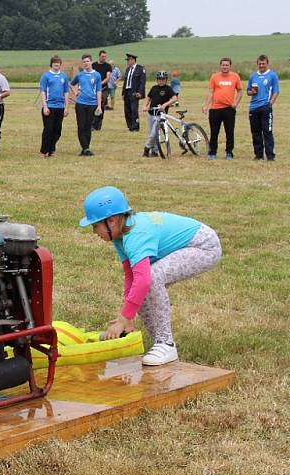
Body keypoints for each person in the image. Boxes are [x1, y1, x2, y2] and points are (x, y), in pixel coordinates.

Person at [79, 186, 221, 366]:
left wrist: (124, 318)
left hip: (205, 246)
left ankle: (166, 344)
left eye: (95, 225)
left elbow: (144, 280)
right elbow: (131, 277)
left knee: (152, 278)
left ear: (112, 221)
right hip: (195, 245)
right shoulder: (120, 236)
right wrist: (128, 317)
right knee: (143, 283)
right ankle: (158, 343)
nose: (94, 231)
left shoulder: (136, 234)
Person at [202, 58, 242, 161]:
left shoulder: (235, 76)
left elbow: (240, 92)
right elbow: (210, 92)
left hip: (229, 109)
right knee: (214, 132)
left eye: (227, 65)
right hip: (215, 109)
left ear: (230, 66)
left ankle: (229, 152)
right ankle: (212, 152)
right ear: (220, 66)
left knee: (229, 132)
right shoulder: (214, 77)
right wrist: (206, 105)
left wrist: (235, 103)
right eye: (223, 65)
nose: (225, 67)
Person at [247, 54, 279, 162]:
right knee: (255, 132)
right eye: (259, 64)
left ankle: (270, 156)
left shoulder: (272, 75)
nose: (261, 65)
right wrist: (252, 92)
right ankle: (258, 155)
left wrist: (270, 103)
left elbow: (276, 91)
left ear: (267, 63)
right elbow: (248, 91)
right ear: (257, 64)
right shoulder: (253, 76)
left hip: (265, 107)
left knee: (267, 132)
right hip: (253, 108)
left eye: (263, 63)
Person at [70, 54, 103, 156]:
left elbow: (98, 90)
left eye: (87, 61)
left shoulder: (97, 75)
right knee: (81, 126)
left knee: (88, 127)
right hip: (80, 103)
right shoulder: (80, 75)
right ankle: (85, 148)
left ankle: (86, 148)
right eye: (84, 62)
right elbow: (71, 84)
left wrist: (99, 105)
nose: (85, 63)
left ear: (91, 62)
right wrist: (75, 92)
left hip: (92, 104)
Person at [39, 55, 70, 158]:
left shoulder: (64, 76)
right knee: (48, 129)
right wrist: (45, 106)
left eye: (58, 64)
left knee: (57, 130)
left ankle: (52, 149)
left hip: (60, 107)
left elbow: (66, 92)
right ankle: (44, 151)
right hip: (49, 106)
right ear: (51, 64)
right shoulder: (46, 76)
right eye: (54, 64)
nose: (56, 66)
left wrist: (66, 107)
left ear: (60, 65)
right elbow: (42, 91)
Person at [142, 71, 178, 157]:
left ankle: (146, 149)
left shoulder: (168, 89)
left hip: (160, 115)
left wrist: (165, 105)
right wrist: (145, 106)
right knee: (152, 133)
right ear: (157, 80)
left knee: (153, 133)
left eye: (163, 79)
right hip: (151, 114)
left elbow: (174, 98)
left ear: (166, 80)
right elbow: (148, 98)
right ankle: (155, 151)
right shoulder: (154, 88)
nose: (161, 81)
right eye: (159, 79)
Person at [122, 53, 146, 132]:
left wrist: (140, 92)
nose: (127, 62)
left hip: (134, 92)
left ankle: (135, 126)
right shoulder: (128, 69)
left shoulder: (140, 69)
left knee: (134, 110)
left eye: (128, 60)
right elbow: (125, 82)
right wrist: (123, 93)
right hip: (127, 91)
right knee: (127, 110)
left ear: (133, 60)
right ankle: (130, 126)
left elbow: (142, 82)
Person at [92, 50, 111, 130]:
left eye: (105, 56)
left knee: (101, 106)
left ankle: (98, 124)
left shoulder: (108, 66)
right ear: (99, 56)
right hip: (94, 89)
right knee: (93, 106)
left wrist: (100, 83)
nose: (104, 58)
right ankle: (92, 124)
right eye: (102, 56)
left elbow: (108, 77)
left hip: (104, 89)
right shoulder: (93, 65)